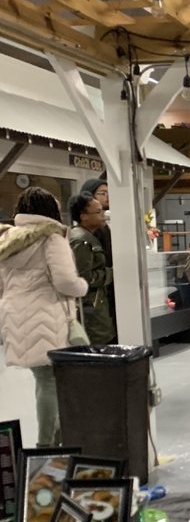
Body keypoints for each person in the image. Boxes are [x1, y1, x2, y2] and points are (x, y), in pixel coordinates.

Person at [0, 188, 87, 445]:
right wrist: (81, 286)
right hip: (47, 318)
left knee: (43, 380)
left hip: (16, 317)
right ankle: (46, 445)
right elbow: (65, 282)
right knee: (51, 383)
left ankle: (57, 440)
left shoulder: (7, 239)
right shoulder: (52, 238)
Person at [69, 193, 116, 344]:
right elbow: (84, 277)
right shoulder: (80, 240)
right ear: (83, 216)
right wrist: (112, 273)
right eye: (98, 212)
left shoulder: (90, 237)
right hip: (89, 307)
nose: (103, 215)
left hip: (97, 304)